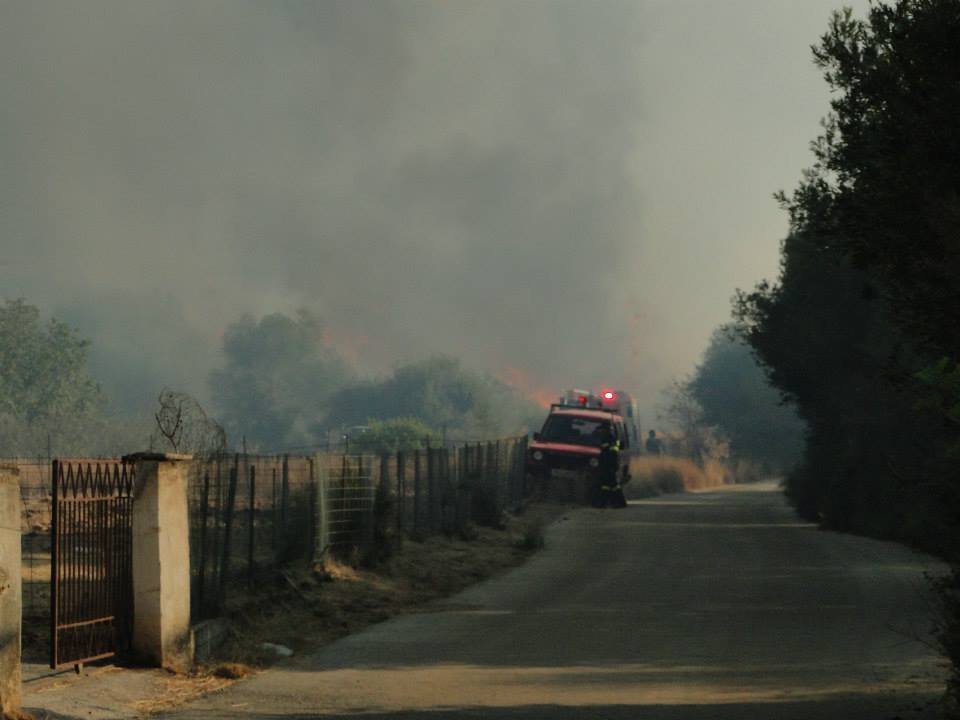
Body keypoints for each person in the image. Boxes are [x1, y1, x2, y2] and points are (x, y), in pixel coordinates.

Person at [593, 424, 626, 508]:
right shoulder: (610, 439)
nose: (601, 432)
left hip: (609, 465)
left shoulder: (609, 440)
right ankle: (612, 502)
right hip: (608, 465)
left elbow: (610, 452)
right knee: (608, 485)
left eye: (602, 430)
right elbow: (620, 446)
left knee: (609, 485)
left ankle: (610, 503)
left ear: (606, 430)